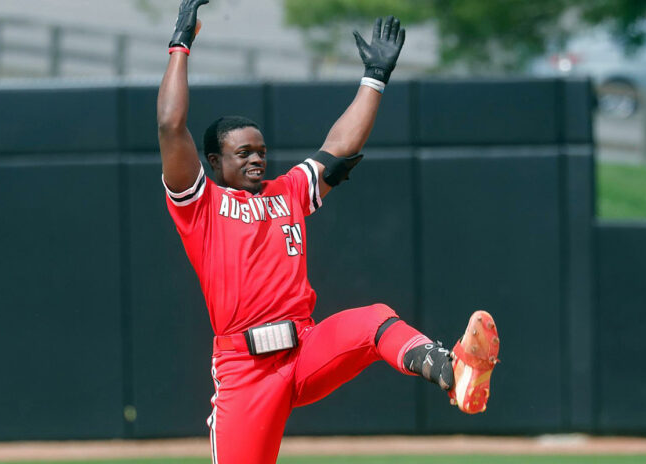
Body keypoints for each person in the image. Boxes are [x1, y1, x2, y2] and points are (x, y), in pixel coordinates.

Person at [157, 1, 500, 463]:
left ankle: (452, 370)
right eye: (243, 153)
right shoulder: (200, 204)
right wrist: (181, 44)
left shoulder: (289, 191)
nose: (257, 158)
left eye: (260, 150)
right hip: (246, 371)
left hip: (306, 348)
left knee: (374, 320)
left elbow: (340, 146)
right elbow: (169, 124)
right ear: (215, 163)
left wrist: (374, 77)